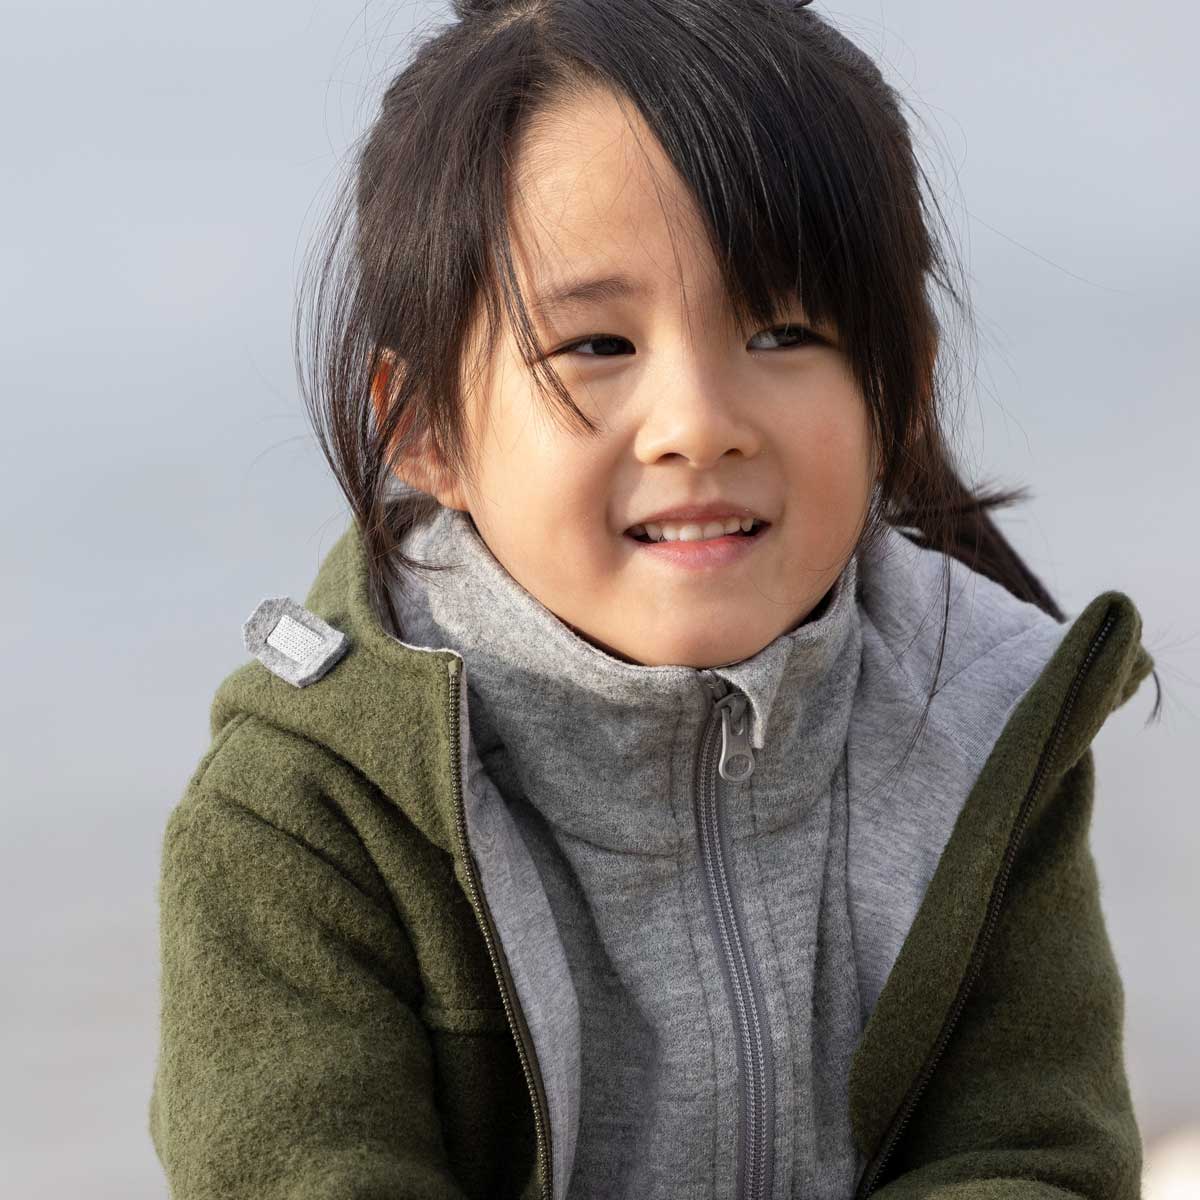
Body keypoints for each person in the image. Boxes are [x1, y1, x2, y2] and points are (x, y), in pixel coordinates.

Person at [148, 1, 1164, 1197]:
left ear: (900, 386)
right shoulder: (307, 816)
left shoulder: (980, 733)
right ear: (423, 426)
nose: (697, 424)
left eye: (782, 330)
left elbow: (1034, 1156)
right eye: (597, 346)